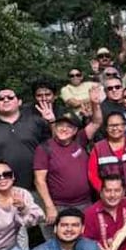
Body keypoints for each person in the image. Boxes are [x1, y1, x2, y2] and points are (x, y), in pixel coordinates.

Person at [33, 89, 104, 229]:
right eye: (60, 125)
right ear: (55, 127)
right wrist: (49, 206)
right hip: (59, 206)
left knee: (86, 238)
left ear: (75, 131)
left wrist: (95, 104)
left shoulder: (80, 140)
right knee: (61, 243)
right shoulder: (44, 148)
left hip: (85, 203)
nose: (64, 129)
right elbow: (39, 180)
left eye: (69, 126)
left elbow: (96, 122)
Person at [0, 87, 50, 194]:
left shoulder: (36, 121)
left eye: (10, 97)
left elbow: (52, 148)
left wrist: (51, 121)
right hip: (4, 189)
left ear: (19, 102)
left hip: (38, 188)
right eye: (0, 98)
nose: (5, 100)